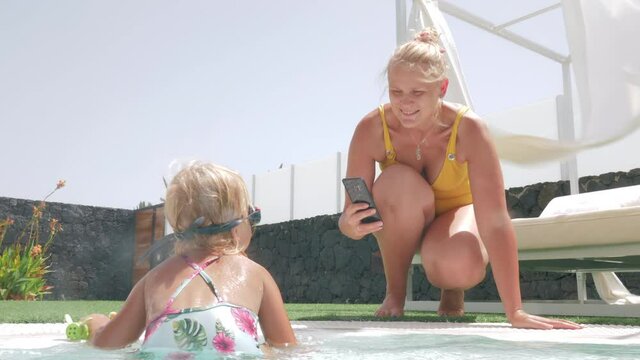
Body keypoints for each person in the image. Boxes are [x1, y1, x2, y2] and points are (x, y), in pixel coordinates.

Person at [338, 28, 581, 329]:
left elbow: (494, 219)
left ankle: (451, 289)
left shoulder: (470, 130)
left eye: (417, 93)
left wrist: (515, 311)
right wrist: (350, 225)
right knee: (396, 182)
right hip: (405, 218)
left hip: (457, 215)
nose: (405, 103)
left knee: (459, 266)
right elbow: (350, 221)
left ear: (441, 89)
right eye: (396, 92)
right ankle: (395, 294)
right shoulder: (371, 129)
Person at [81, 162, 297, 355]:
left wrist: (97, 325)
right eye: (252, 216)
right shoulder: (256, 274)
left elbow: (108, 342)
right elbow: (286, 346)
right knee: (269, 352)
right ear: (236, 227)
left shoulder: (153, 279)